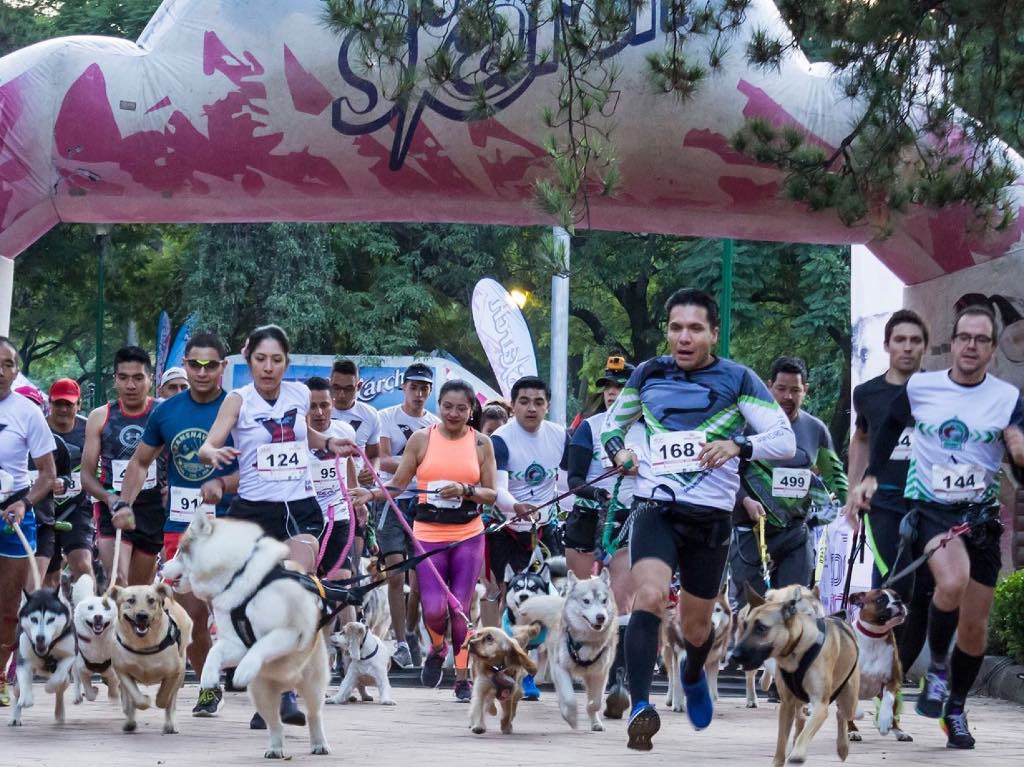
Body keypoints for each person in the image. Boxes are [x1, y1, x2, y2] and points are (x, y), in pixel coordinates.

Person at [601, 288, 795, 750]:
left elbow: (783, 440)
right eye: (675, 328)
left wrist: (738, 445)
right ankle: (642, 707)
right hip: (655, 506)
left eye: (694, 329)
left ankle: (691, 672)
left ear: (712, 332)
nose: (683, 338)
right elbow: (611, 426)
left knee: (696, 628)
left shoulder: (738, 379)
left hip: (709, 518)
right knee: (646, 597)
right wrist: (622, 452)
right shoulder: (648, 374)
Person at [850, 304, 1024, 749]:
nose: (971, 346)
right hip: (929, 509)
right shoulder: (923, 388)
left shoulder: (1007, 398)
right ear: (953, 342)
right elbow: (886, 426)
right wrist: (870, 474)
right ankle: (939, 669)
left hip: (980, 517)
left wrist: (1019, 450)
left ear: (992, 348)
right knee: (951, 581)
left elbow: (1019, 458)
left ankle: (956, 709)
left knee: (976, 627)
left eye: (981, 339)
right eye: (964, 337)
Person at [198, 324, 355, 730]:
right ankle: (265, 689)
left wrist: (327, 443)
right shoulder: (238, 400)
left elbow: (306, 436)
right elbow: (207, 445)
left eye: (277, 360)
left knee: (294, 586)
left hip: (301, 508)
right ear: (249, 359)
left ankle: (286, 692)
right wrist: (214, 453)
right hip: (254, 511)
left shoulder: (300, 393)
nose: (268, 368)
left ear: (287, 361)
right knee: (260, 602)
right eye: (261, 359)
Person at [352, 380, 497, 701]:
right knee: (433, 609)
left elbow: (491, 494)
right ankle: (436, 647)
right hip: (428, 535)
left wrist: (466, 490)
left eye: (462, 408)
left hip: (468, 535)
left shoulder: (482, 444)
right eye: (448, 407)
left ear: (472, 409)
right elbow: (399, 483)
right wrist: (371, 493)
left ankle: (462, 677)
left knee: (459, 609)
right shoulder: (421, 439)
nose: (454, 414)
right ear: (439, 407)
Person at [116, 332, 236, 717]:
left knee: (238, 612)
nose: (202, 372)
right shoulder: (166, 412)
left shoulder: (237, 408)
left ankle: (272, 688)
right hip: (182, 529)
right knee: (195, 616)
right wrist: (123, 502)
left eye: (211, 365)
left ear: (223, 367)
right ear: (185, 365)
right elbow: (139, 462)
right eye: (195, 364)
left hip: (233, 524)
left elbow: (252, 466)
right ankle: (207, 687)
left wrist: (221, 484)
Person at [844, 309, 933, 675]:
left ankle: (899, 674)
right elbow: (861, 438)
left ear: (925, 347)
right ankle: (876, 671)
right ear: (887, 345)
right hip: (884, 503)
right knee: (892, 588)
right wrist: (853, 490)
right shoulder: (867, 393)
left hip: (931, 503)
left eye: (915, 341)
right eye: (900, 340)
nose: (907, 348)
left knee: (926, 591)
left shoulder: (939, 390)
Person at [731, 356, 847, 604]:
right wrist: (745, 501)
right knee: (752, 609)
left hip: (795, 534)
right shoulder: (746, 427)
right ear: (769, 386)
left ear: (805, 390)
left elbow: (835, 478)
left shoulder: (816, 430)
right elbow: (727, 472)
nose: (788, 397)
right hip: (752, 532)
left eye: (795, 390)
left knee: (792, 608)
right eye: (781, 389)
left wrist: (842, 502)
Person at [565, 359, 644, 719]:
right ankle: (582, 669)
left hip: (632, 519)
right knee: (583, 598)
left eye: (622, 387)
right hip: (588, 518)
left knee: (620, 601)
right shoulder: (588, 428)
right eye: (609, 387)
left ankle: (618, 681)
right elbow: (574, 479)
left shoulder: (650, 431)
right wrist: (597, 495)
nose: (614, 393)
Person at [490, 375, 569, 701]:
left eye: (538, 402)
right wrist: (515, 507)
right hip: (506, 528)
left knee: (546, 597)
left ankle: (530, 667)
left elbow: (566, 484)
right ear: (513, 405)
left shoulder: (560, 436)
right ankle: (506, 665)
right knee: (510, 599)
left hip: (545, 529)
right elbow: (499, 489)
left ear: (547, 405)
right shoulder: (500, 439)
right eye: (524, 401)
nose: (531, 408)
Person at [0, 338, 57, 707]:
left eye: (8, 364)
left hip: (12, 513)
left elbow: (47, 475)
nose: (0, 371)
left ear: (16, 370)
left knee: (7, 606)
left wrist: (24, 503)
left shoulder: (27, 412)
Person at [80, 346, 163, 587]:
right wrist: (108, 498)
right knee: (118, 580)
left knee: (138, 591)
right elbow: (86, 475)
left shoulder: (162, 412)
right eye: (123, 378)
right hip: (112, 506)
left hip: (152, 509)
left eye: (138, 378)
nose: (130, 385)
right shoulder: (100, 416)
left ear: (150, 379)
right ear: (115, 379)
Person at [376, 363, 440, 668]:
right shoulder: (386, 417)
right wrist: (416, 464)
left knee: (421, 579)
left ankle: (412, 633)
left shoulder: (436, 424)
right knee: (395, 573)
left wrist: (412, 466)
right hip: (392, 499)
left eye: (424, 388)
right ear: (404, 387)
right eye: (413, 387)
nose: (418, 393)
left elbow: (439, 465)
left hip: (425, 502)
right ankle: (399, 640)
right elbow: (384, 460)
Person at [306, 376, 358, 620]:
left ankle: (353, 650)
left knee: (342, 584)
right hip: (305, 520)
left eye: (324, 405)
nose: (318, 412)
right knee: (307, 589)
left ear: (333, 403)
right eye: (312, 406)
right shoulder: (293, 437)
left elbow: (348, 465)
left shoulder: (345, 431)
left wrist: (356, 497)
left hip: (338, 516)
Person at [330, 358, 382, 576]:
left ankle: (355, 608)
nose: (341, 395)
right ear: (329, 383)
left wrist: (373, 470)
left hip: (355, 495)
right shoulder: (317, 411)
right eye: (336, 388)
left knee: (351, 565)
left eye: (348, 389)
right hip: (322, 492)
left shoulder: (370, 416)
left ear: (359, 386)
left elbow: (375, 454)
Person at [15, 385, 71, 587]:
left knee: (31, 589)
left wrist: (61, 483)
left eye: (34, 407)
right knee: (11, 590)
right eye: (24, 406)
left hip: (43, 524)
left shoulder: (54, 444)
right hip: (11, 524)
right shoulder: (6, 444)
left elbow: (67, 478)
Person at [44, 378, 93, 587]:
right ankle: (54, 616)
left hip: (76, 507)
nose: (63, 409)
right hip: (43, 508)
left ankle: (93, 616)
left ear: (79, 404)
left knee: (82, 565)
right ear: (49, 403)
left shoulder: (89, 429)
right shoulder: (37, 428)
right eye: (58, 403)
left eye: (69, 404)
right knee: (49, 574)